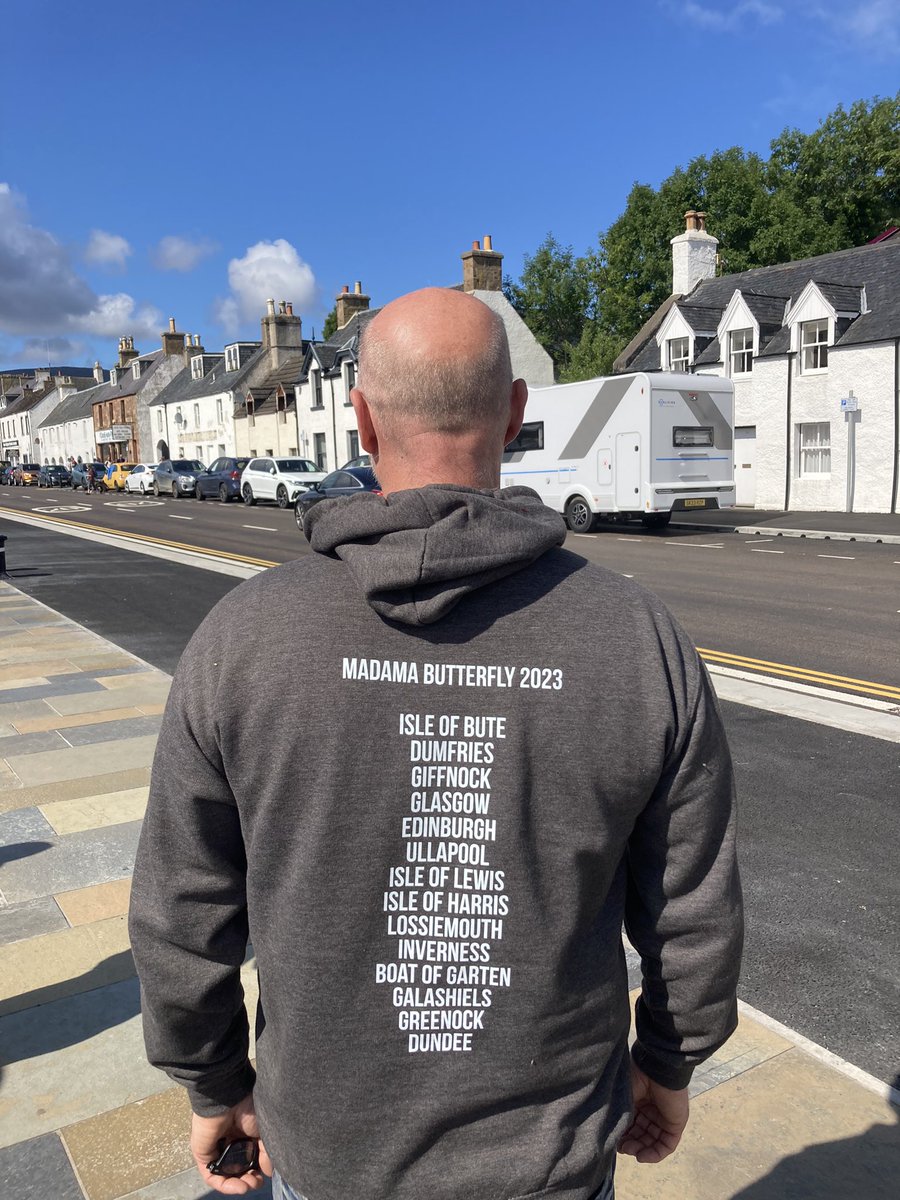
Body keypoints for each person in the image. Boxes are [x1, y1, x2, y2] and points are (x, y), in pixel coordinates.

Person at [130, 287, 743, 1200]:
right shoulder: (637, 637)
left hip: (331, 1150)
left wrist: (213, 1084)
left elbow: (182, 910)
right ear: (514, 415)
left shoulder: (243, 637)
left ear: (363, 420)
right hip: (551, 1156)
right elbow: (694, 906)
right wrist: (671, 1058)